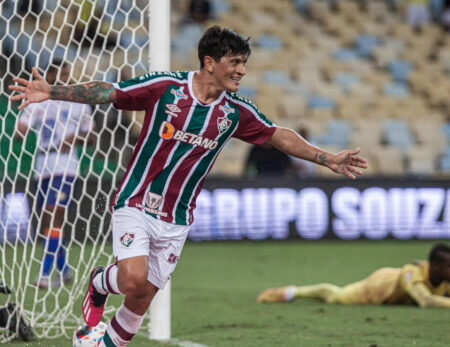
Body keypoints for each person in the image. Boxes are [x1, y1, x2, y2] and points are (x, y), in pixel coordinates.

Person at [9, 26, 367, 346]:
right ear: (210, 62)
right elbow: (110, 91)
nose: (242, 71)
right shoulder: (165, 88)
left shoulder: (235, 112)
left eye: (245, 63)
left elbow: (278, 136)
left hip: (177, 216)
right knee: (133, 280)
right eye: (236, 62)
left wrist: (327, 159)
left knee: (143, 295)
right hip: (135, 200)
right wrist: (54, 92)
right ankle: (100, 281)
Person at [14, 59, 94, 290]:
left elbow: (91, 136)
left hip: (66, 166)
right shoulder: (40, 101)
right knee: (48, 219)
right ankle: (65, 271)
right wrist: (21, 128)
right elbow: (21, 131)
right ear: (49, 75)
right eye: (59, 73)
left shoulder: (80, 101)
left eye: (67, 74)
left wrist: (75, 138)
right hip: (42, 164)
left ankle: (44, 274)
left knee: (54, 215)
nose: (64, 78)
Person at [258, 243, 450, 311]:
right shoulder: (412, 273)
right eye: (449, 266)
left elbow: (444, 297)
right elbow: (425, 301)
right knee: (335, 296)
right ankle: (293, 292)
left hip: (397, 293)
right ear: (434, 266)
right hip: (379, 286)